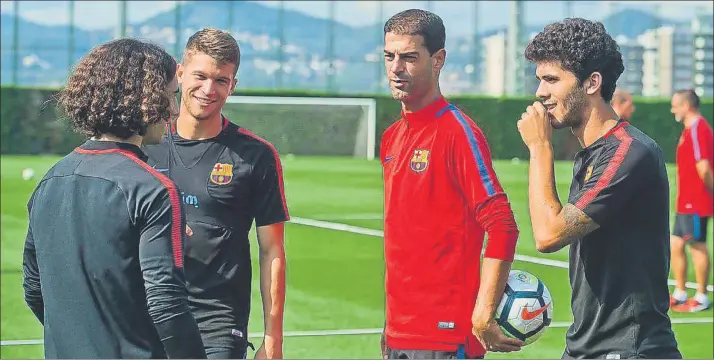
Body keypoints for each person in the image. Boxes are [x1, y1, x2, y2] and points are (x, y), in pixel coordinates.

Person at [22, 38, 206, 359]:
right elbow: (166, 302)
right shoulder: (153, 188)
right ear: (143, 97)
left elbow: (34, 289)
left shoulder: (49, 181)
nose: (174, 109)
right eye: (170, 95)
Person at [518, 18, 681, 359]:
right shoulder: (591, 155)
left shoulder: (629, 152)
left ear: (592, 82)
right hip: (586, 346)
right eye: (539, 80)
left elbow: (548, 235)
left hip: (629, 349)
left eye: (551, 80)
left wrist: (539, 148)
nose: (540, 93)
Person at [379, 9, 524, 359]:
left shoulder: (457, 133)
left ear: (438, 59)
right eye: (389, 56)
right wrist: (390, 327)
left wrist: (484, 312)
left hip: (445, 337)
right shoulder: (392, 137)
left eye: (410, 57)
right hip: (400, 334)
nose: (396, 68)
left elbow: (503, 225)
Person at [143, 28, 289, 359]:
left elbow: (272, 251)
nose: (209, 89)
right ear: (180, 74)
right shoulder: (144, 145)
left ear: (233, 85)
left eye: (221, 80)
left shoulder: (256, 155)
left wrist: (272, 341)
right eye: (201, 76)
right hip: (148, 315)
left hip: (217, 323)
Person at [669, 89, 713, 313]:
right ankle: (680, 291)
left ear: (687, 106)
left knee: (697, 245)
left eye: (675, 105)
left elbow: (703, 167)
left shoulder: (697, 128)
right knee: (676, 244)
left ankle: (703, 296)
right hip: (684, 201)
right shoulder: (688, 130)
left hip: (695, 201)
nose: (672, 109)